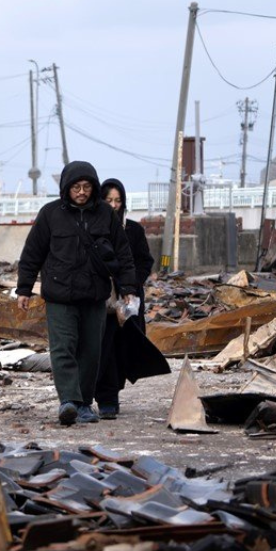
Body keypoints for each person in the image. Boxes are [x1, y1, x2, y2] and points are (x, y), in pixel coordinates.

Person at [17, 161, 139, 426]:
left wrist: (128, 287)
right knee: (63, 348)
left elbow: (122, 253)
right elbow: (32, 253)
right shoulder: (50, 214)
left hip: (94, 295)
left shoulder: (105, 214)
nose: (81, 192)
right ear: (66, 188)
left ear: (93, 188)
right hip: (60, 295)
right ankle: (69, 401)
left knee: (91, 352)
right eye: (76, 187)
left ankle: (84, 403)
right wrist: (24, 288)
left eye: (86, 187)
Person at [95, 178, 155, 419]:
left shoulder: (133, 230)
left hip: (129, 298)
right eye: (108, 200)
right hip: (102, 298)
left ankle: (114, 390)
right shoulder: (95, 229)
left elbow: (145, 261)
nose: (113, 205)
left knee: (124, 344)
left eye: (118, 201)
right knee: (104, 346)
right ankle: (107, 397)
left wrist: (131, 284)